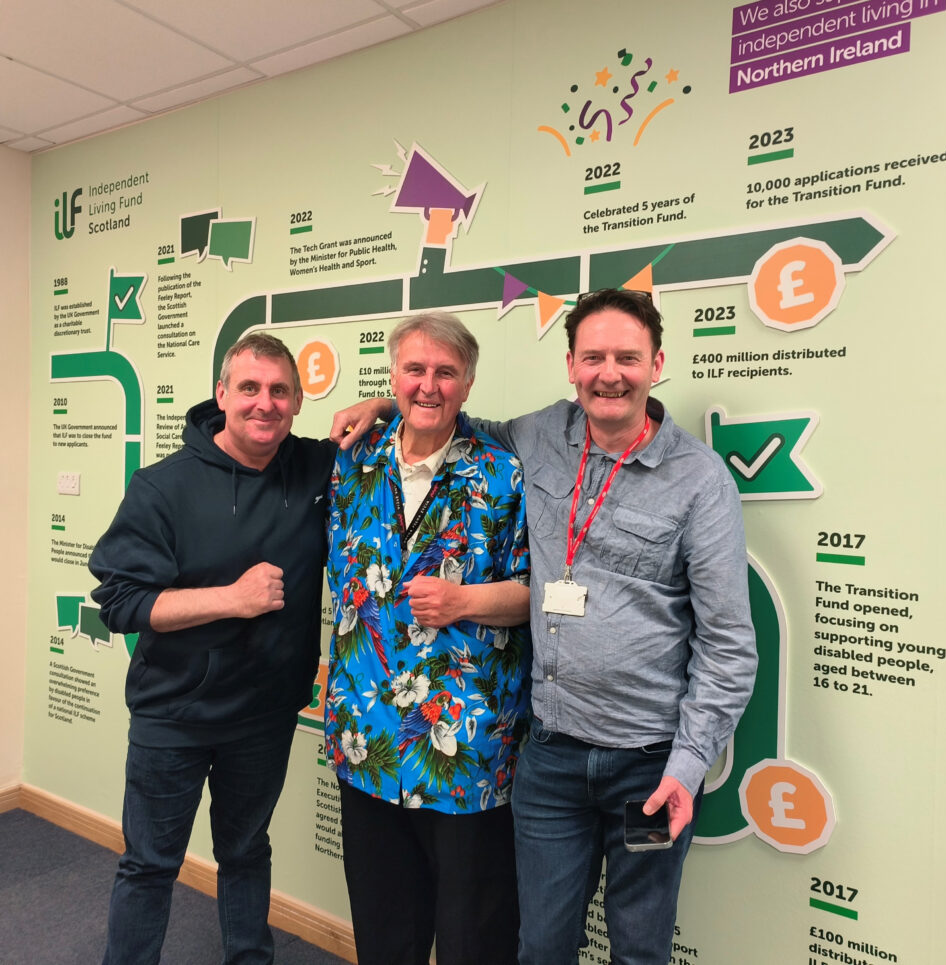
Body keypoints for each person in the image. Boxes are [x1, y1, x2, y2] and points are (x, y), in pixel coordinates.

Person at [332, 289, 757, 965]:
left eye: (626, 357)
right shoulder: (538, 437)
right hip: (551, 759)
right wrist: (387, 404)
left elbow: (729, 645)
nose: (609, 372)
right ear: (570, 365)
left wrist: (687, 763)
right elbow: (442, 418)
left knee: (640, 946)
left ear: (657, 363)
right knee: (539, 947)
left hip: (646, 765)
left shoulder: (699, 481)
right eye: (594, 356)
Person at [89, 332, 336, 965]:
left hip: (264, 717)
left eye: (280, 390)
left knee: (247, 852)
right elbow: (120, 604)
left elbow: (416, 408)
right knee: (149, 865)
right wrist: (231, 598)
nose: (264, 403)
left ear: (298, 401)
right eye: (249, 388)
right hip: (174, 715)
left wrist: (382, 407)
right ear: (221, 394)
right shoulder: (161, 486)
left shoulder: (314, 468)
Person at [324, 311, 530, 965]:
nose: (429, 385)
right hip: (368, 740)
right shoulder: (352, 463)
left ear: (468, 384)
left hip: (465, 750)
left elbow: (537, 595)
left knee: (476, 935)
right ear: (393, 376)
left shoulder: (504, 473)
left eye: (446, 372)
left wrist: (464, 601)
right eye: (414, 370)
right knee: (385, 930)